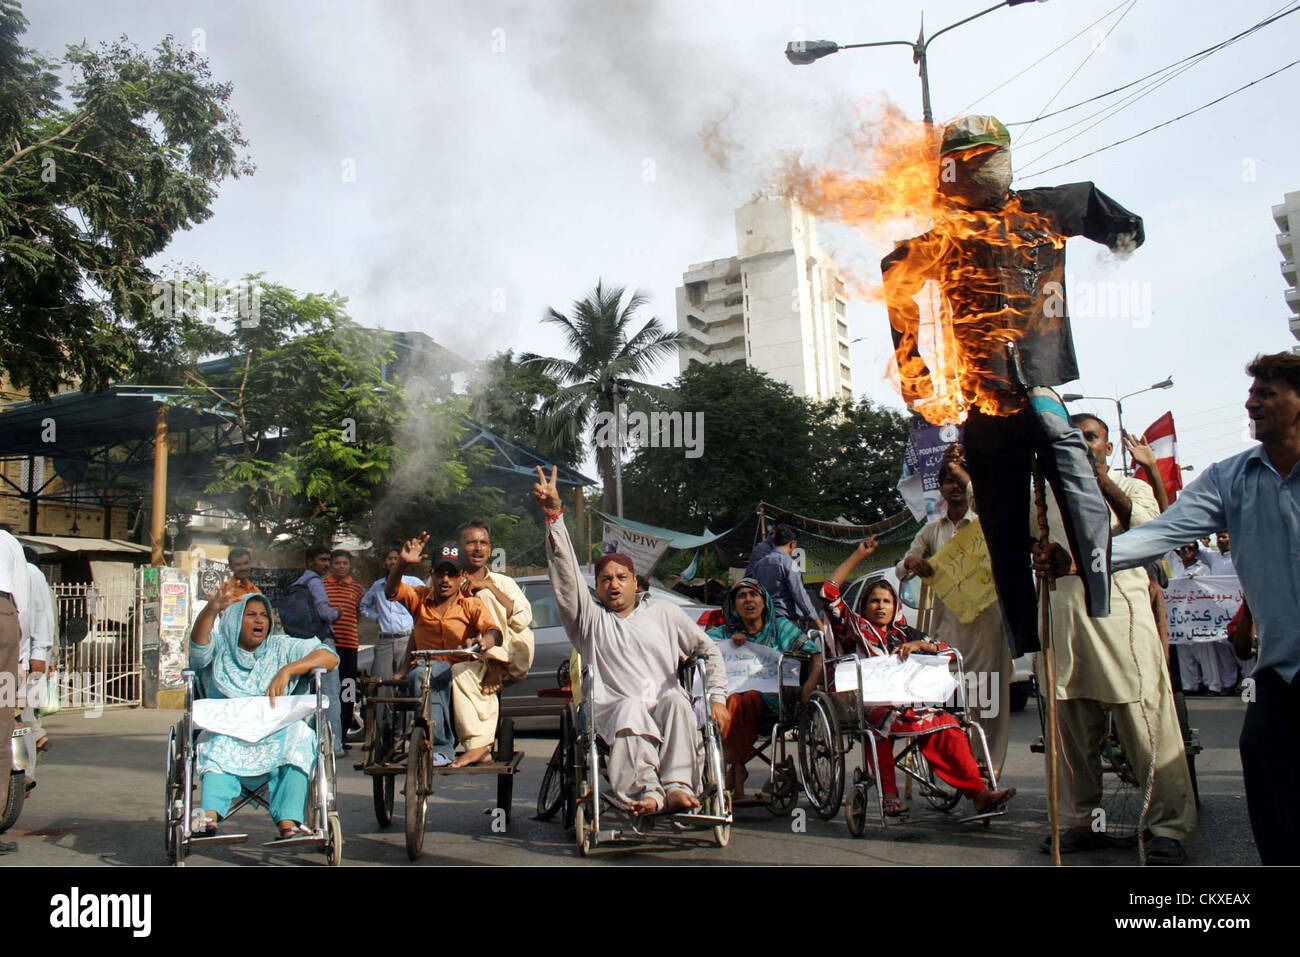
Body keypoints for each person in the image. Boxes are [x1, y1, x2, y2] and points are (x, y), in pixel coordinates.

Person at [882, 114, 1141, 657]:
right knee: (999, 517)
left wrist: (1124, 236)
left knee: (1069, 465)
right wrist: (914, 366)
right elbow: (894, 270)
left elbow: (1114, 217)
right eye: (961, 165)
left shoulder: (1044, 208)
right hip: (983, 397)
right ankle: (1024, 632)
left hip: (1039, 382)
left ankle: (1099, 594)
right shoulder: (944, 235)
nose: (971, 175)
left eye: (979, 161)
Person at [1080, 353, 1300, 864]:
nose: (1252, 402)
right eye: (1253, 392)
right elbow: (1159, 533)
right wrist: (1089, 563)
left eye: (1267, 393)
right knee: (1271, 787)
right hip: (1281, 675)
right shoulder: (1232, 477)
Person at [1033, 414, 1197, 865]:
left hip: (1121, 619)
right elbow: (1016, 533)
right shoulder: (1041, 494)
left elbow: (1150, 533)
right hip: (1064, 622)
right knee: (1070, 729)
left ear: (1107, 448)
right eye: (1074, 438)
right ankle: (1085, 821)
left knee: (1146, 726)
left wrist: (1099, 479)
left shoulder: (1133, 487)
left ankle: (1166, 826)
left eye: (1091, 438)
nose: (1082, 445)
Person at [534, 466, 729, 816]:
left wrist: (717, 697)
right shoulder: (590, 620)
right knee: (630, 708)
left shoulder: (665, 614)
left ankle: (678, 787)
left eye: (621, 577)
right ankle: (647, 792)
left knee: (678, 702)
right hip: (614, 707)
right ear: (596, 586)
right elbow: (565, 577)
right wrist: (554, 517)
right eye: (605, 578)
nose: (613, 584)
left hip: (662, 704)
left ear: (635, 583)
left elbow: (708, 650)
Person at [821, 550, 1015, 818]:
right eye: (874, 601)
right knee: (880, 725)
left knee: (947, 725)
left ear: (895, 607)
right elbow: (829, 593)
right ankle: (889, 795)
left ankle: (978, 793)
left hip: (909, 704)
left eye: (886, 601)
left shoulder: (905, 633)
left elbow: (948, 652)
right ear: (864, 606)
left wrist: (923, 645)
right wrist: (858, 555)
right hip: (868, 705)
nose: (880, 606)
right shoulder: (855, 627)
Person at [188, 581, 339, 838]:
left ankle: (288, 824)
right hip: (229, 728)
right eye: (251, 615)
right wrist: (212, 609)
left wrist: (289, 669)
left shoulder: (282, 647)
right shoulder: (220, 648)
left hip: (277, 729)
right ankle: (207, 819)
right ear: (235, 620)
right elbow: (199, 647)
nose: (260, 620)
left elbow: (329, 657)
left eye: (264, 615)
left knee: (301, 737)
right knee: (213, 742)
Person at [895, 457, 1012, 774]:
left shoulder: (986, 523)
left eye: (960, 480)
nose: (955, 486)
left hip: (988, 625)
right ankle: (960, 765)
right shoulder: (932, 530)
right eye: (948, 480)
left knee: (988, 697)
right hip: (948, 627)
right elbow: (901, 569)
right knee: (952, 698)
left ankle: (989, 766)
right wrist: (912, 562)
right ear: (941, 489)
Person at [387, 537, 503, 767]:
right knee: (425, 673)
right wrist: (402, 562)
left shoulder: (471, 605)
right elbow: (391, 591)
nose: (445, 580)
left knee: (437, 672)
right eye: (440, 573)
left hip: (459, 674)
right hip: (422, 671)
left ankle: (441, 747)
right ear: (432, 574)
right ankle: (435, 742)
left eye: (452, 574)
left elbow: (494, 631)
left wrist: (486, 641)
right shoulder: (419, 598)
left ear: (461, 577)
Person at [705, 579, 823, 799]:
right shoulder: (723, 633)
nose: (748, 600)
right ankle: (738, 766)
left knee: (744, 699)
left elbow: (815, 655)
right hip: (733, 702)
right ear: (733, 605)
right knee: (735, 701)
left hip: (777, 702)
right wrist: (730, 642)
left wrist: (809, 687)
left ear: (764, 601)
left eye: (753, 595)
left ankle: (736, 769)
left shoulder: (780, 628)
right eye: (742, 596)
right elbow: (701, 648)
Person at [452, 519, 534, 767]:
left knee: (488, 596)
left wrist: (487, 587)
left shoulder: (503, 582)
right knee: (460, 672)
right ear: (459, 547)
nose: (478, 548)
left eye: (483, 543)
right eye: (471, 542)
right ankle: (479, 746)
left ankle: (496, 663)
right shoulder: (444, 578)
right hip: (464, 657)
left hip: (506, 655)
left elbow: (522, 618)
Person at [289, 546, 343, 755]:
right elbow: (324, 612)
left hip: (301, 643)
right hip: (321, 642)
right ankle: (334, 744)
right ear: (310, 561)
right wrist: (337, 613)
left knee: (304, 694)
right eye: (323, 560)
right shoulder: (314, 582)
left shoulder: (297, 583)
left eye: (328, 560)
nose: (327, 564)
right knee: (330, 694)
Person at [0, 526, 32, 857]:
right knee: (0, 729)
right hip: (1, 618)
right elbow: (21, 599)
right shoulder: (8, 541)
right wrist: (20, 657)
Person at [361, 547, 424, 681]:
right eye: (390, 559)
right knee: (381, 682)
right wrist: (376, 617)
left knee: (408, 680)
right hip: (386, 640)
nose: (393, 562)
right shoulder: (377, 586)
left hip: (407, 640)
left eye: (396, 558)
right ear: (384, 563)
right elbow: (364, 606)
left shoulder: (414, 583)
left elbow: (428, 604)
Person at [322, 549, 364, 745]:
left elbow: (359, 613)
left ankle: (344, 731)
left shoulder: (356, 588)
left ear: (349, 566)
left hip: (349, 645)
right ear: (331, 565)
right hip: (329, 646)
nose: (341, 566)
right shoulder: (322, 586)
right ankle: (330, 733)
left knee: (348, 688)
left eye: (344, 563)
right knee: (329, 689)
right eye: (337, 563)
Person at [750, 524, 821, 630]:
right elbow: (799, 594)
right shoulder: (789, 563)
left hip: (764, 621)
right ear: (792, 544)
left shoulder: (759, 564)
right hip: (786, 622)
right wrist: (816, 620)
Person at [19, 549, 55, 751]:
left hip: (28, 660)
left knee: (25, 718)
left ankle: (26, 774)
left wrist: (41, 656)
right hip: (23, 658)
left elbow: (44, 620)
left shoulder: (31, 574)